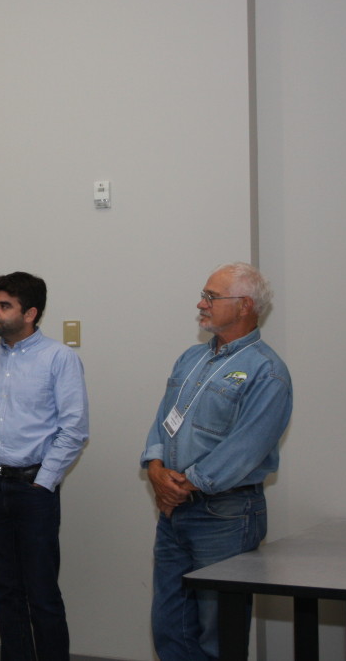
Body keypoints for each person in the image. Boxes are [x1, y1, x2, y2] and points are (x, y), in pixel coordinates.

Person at [141, 262, 292, 661]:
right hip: (174, 513)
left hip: (225, 516)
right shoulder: (190, 358)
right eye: (204, 295)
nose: (200, 304)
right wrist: (155, 469)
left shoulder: (268, 371)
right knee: (170, 626)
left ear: (243, 305)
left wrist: (181, 485)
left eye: (210, 296)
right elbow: (162, 422)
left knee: (216, 634)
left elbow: (246, 448)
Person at [0, 271, 89, 661]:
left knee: (41, 594)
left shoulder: (59, 359)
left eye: (4, 306)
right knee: (4, 591)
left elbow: (75, 430)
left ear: (30, 313)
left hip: (33, 490)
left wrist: (43, 484)